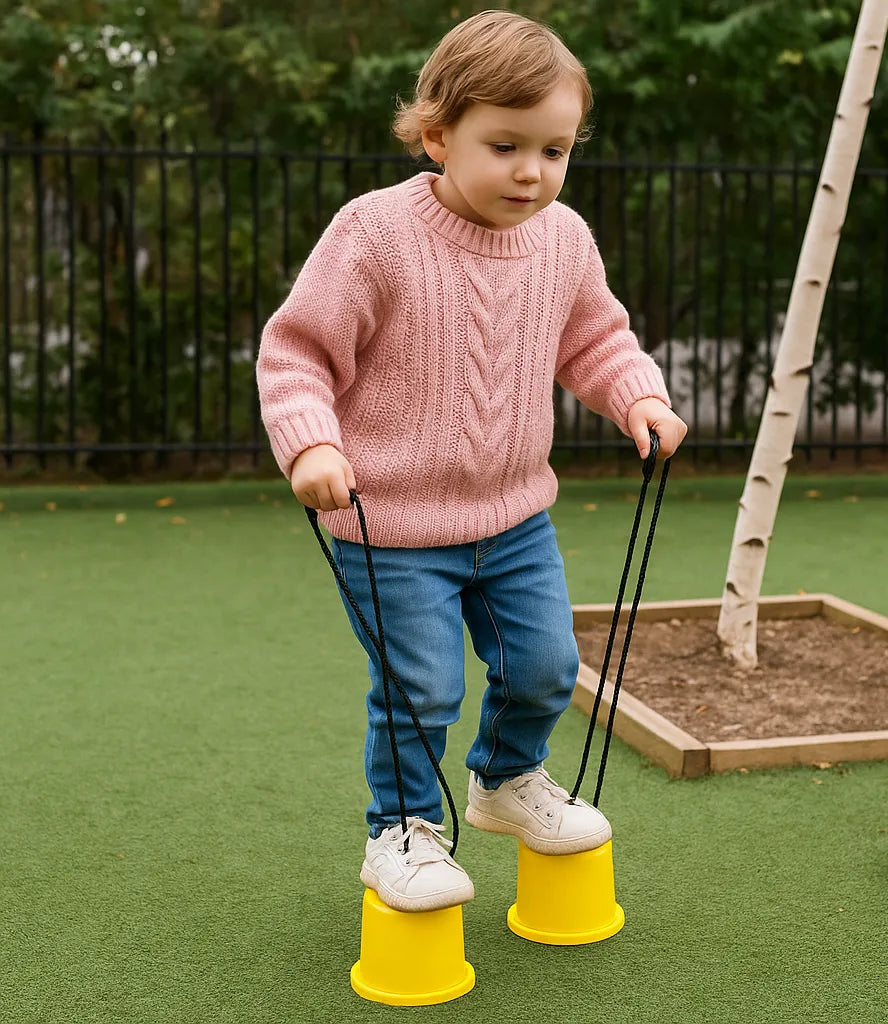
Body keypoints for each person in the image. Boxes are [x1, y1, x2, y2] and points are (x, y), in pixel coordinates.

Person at [256, 10, 687, 915]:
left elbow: (596, 338)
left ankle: (505, 782)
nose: (533, 171)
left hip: (516, 518)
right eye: (506, 145)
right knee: (421, 685)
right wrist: (312, 443)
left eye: (555, 149)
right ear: (437, 133)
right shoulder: (373, 233)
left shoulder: (563, 238)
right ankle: (403, 830)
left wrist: (637, 393)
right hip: (393, 525)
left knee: (546, 666)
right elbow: (297, 352)